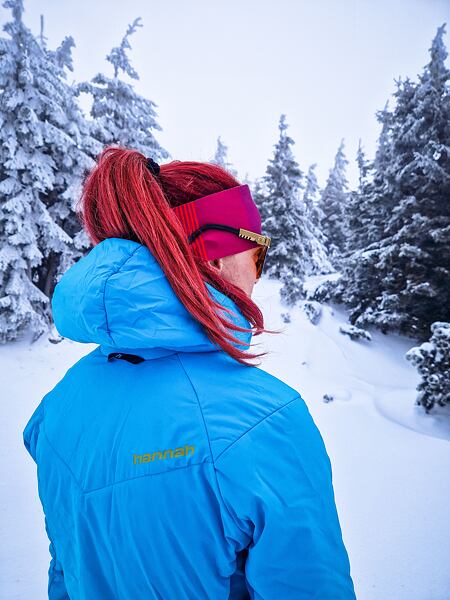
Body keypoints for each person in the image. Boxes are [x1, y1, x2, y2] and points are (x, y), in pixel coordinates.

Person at [23, 147, 357, 599]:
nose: (257, 275)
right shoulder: (265, 422)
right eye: (256, 254)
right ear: (215, 258)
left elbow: (66, 568)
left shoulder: (60, 405)